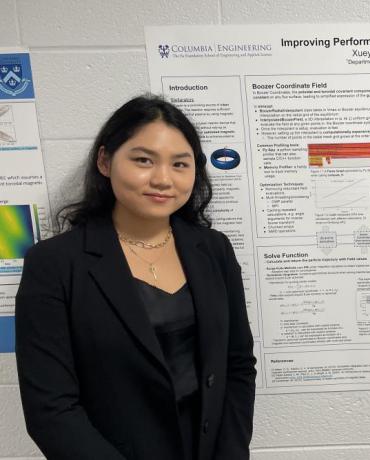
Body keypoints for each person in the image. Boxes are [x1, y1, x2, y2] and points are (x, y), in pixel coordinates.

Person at [15, 95, 256, 459]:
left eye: (180, 164)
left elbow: (238, 364)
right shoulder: (55, 263)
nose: (162, 179)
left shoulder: (213, 250)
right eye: (143, 160)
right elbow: (51, 409)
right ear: (105, 161)